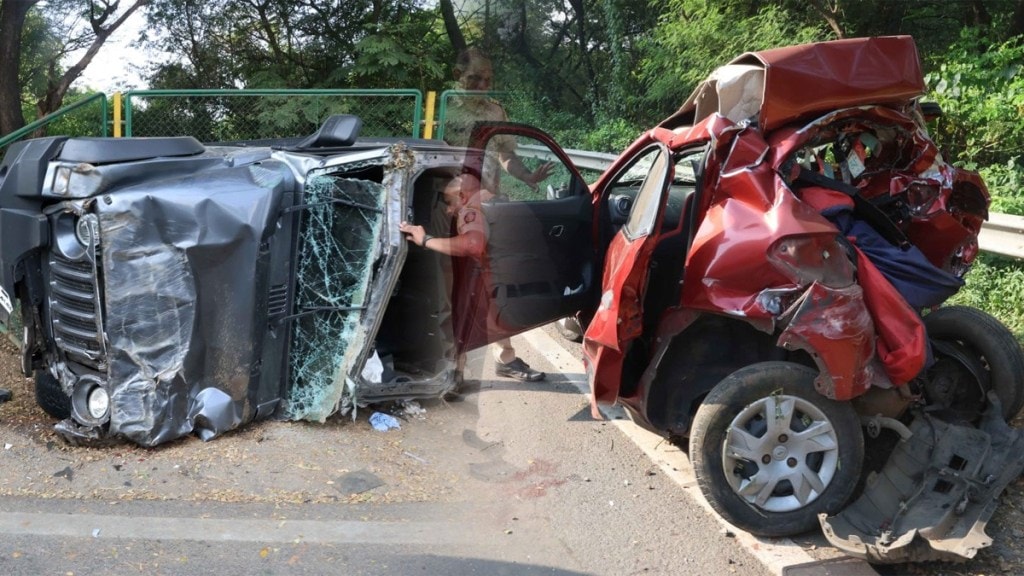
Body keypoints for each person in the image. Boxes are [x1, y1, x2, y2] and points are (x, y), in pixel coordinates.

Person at [435, 47, 551, 382]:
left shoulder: (495, 112)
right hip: (450, 207)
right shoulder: (443, 108)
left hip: (486, 207)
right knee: (453, 285)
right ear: (459, 75)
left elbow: (506, 157)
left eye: (487, 80)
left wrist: (527, 176)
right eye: (474, 78)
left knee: (492, 282)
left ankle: (505, 357)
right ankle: (453, 365)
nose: (481, 85)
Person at [400, 174, 545, 382]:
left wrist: (426, 240)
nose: (449, 210)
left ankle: (454, 373)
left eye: (450, 203)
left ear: (462, 195)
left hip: (479, 276)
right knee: (494, 315)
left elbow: (472, 245)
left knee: (459, 319)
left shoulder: (471, 210)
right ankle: (504, 361)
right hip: (497, 275)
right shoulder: (496, 200)